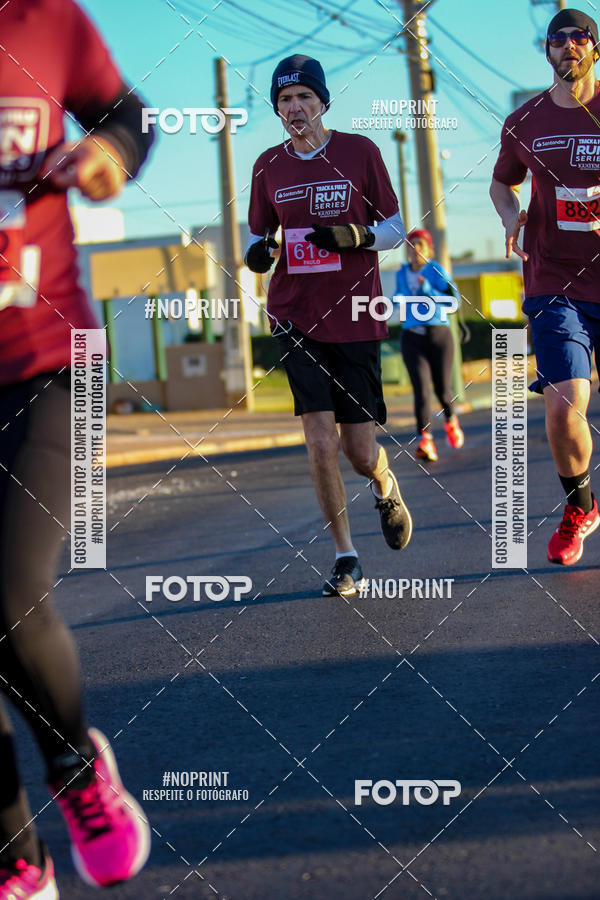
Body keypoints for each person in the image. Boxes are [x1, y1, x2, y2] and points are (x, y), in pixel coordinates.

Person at [0, 1, 154, 897]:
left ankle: (72, 770)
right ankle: (18, 863)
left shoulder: (45, 20)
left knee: (8, 592)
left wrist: (107, 157)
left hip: (42, 360)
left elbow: (125, 114)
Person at [245, 54, 411, 598]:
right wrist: (258, 253)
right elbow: (261, 234)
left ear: (323, 103)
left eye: (304, 99)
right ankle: (346, 555)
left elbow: (394, 228)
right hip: (294, 314)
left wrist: (355, 237)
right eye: (285, 101)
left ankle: (384, 484)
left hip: (355, 314)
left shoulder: (359, 152)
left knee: (359, 451)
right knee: (319, 440)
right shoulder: (268, 165)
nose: (295, 109)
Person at [490, 7, 600, 565]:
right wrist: (510, 215)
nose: (567, 48)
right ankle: (580, 506)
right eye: (557, 40)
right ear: (547, 52)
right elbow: (501, 183)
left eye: (578, 38)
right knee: (564, 405)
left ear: (594, 48)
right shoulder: (524, 121)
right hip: (554, 281)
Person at [394, 228, 464, 462]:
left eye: (420, 245)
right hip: (412, 336)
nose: (415, 250)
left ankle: (451, 420)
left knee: (443, 390)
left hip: (438, 334)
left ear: (428, 248)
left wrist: (428, 291)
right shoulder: (402, 273)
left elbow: (453, 298)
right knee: (421, 390)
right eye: (412, 246)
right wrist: (397, 300)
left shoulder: (436, 270)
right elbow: (399, 294)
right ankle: (426, 440)